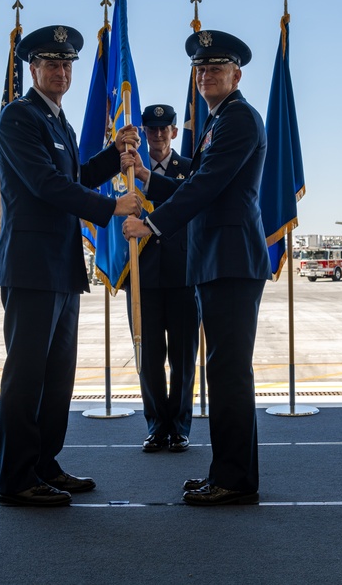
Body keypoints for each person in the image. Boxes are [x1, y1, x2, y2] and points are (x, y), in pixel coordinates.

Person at [0, 24, 142, 507]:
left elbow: (72, 175)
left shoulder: (60, 123)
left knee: (57, 378)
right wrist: (110, 208)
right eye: (51, 63)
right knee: (27, 376)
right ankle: (17, 477)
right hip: (32, 267)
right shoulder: (19, 117)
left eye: (67, 65)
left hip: (61, 266)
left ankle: (45, 464)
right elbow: (44, 185)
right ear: (32, 68)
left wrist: (115, 156)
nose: (60, 71)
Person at [123, 30, 271, 506]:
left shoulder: (239, 119)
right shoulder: (217, 121)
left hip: (229, 260)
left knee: (227, 372)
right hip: (216, 260)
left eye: (216, 67)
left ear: (237, 74)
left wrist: (152, 223)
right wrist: (152, 188)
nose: (206, 74)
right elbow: (199, 187)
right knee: (223, 370)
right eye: (201, 69)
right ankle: (228, 472)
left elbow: (206, 183)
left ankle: (234, 479)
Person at [124, 104, 199, 454]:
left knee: (183, 358)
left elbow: (188, 201)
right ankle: (156, 426)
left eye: (163, 129)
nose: (157, 135)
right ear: (144, 132)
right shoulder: (123, 175)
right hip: (142, 278)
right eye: (150, 129)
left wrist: (146, 178)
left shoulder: (190, 169)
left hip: (183, 276)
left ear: (173, 131)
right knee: (149, 358)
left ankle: (180, 427)